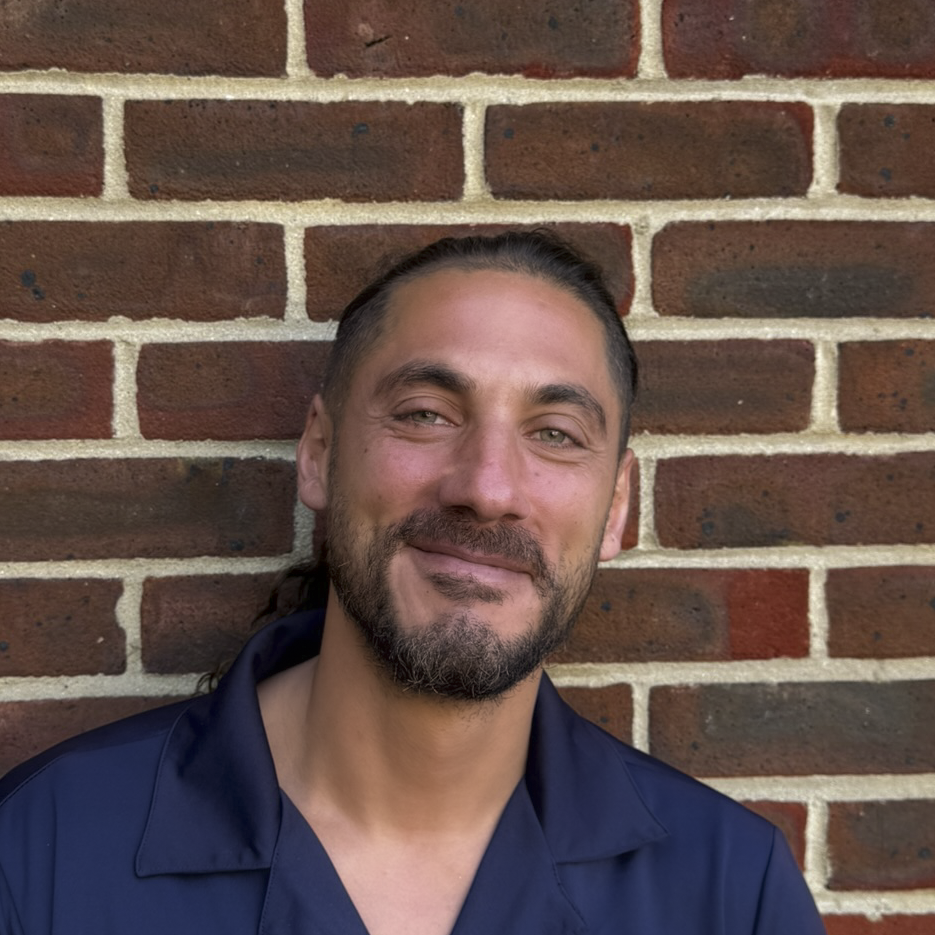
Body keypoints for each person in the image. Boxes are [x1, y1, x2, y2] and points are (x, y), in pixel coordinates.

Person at [0, 231, 827, 934]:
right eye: (426, 413)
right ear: (319, 453)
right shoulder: (43, 853)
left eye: (554, 433)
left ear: (615, 508)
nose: (487, 487)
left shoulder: (728, 893)